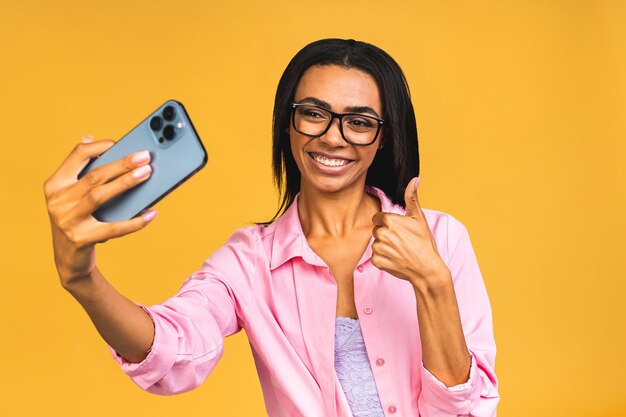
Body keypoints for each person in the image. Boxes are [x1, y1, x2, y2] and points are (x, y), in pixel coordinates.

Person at [44, 39, 499, 417]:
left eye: (359, 122)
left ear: (384, 136)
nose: (333, 136)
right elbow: (171, 354)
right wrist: (83, 280)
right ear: (288, 123)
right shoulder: (249, 260)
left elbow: (469, 409)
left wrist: (432, 282)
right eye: (314, 113)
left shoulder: (442, 239)